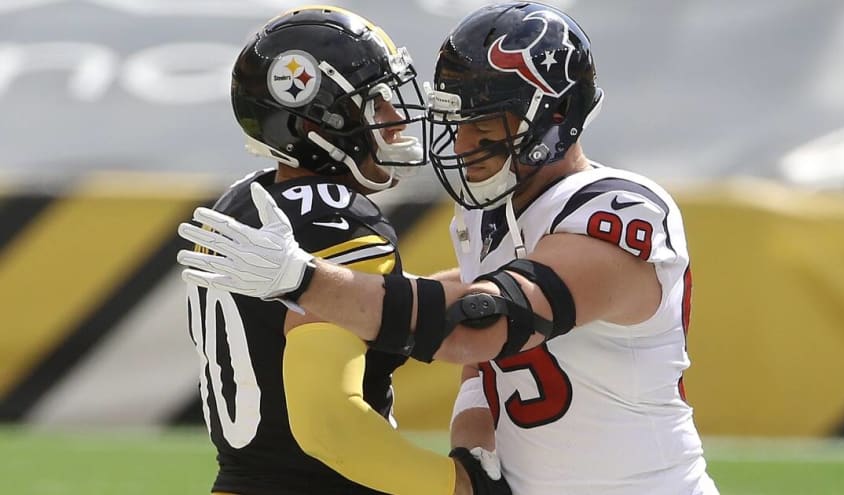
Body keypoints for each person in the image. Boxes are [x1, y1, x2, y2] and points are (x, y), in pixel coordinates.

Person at [178, 2, 719, 494]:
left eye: (479, 122)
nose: (458, 143)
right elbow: (483, 368)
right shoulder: (489, 216)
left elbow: (485, 325)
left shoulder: (621, 210)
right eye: (454, 121)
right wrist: (471, 443)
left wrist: (307, 282)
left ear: (549, 117)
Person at [181, 6, 509, 495]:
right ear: (322, 123)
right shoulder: (330, 218)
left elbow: (370, 301)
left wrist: (501, 286)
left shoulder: (248, 199)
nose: (397, 119)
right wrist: (454, 487)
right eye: (377, 104)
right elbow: (329, 424)